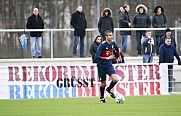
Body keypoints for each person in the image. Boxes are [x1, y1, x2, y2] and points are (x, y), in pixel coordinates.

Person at [95, 30, 121, 103]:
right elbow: (97, 56)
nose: (111, 36)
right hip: (101, 66)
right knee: (103, 84)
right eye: (109, 35)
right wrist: (106, 58)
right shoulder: (102, 45)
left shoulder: (113, 43)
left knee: (115, 79)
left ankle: (109, 89)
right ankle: (102, 98)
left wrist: (119, 56)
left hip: (109, 65)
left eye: (112, 35)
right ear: (106, 37)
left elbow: (117, 49)